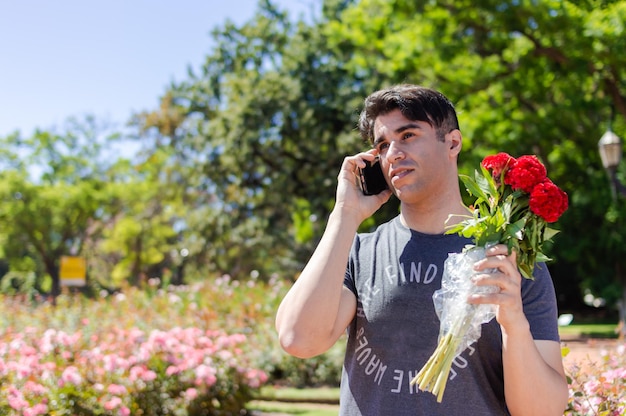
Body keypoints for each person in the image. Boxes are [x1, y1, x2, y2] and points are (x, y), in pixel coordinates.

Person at [275, 84, 568, 415]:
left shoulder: (509, 258)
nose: (393, 153)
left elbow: (543, 411)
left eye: (408, 135)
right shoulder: (358, 252)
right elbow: (298, 339)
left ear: (452, 142)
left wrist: (514, 322)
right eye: (382, 145)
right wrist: (344, 215)